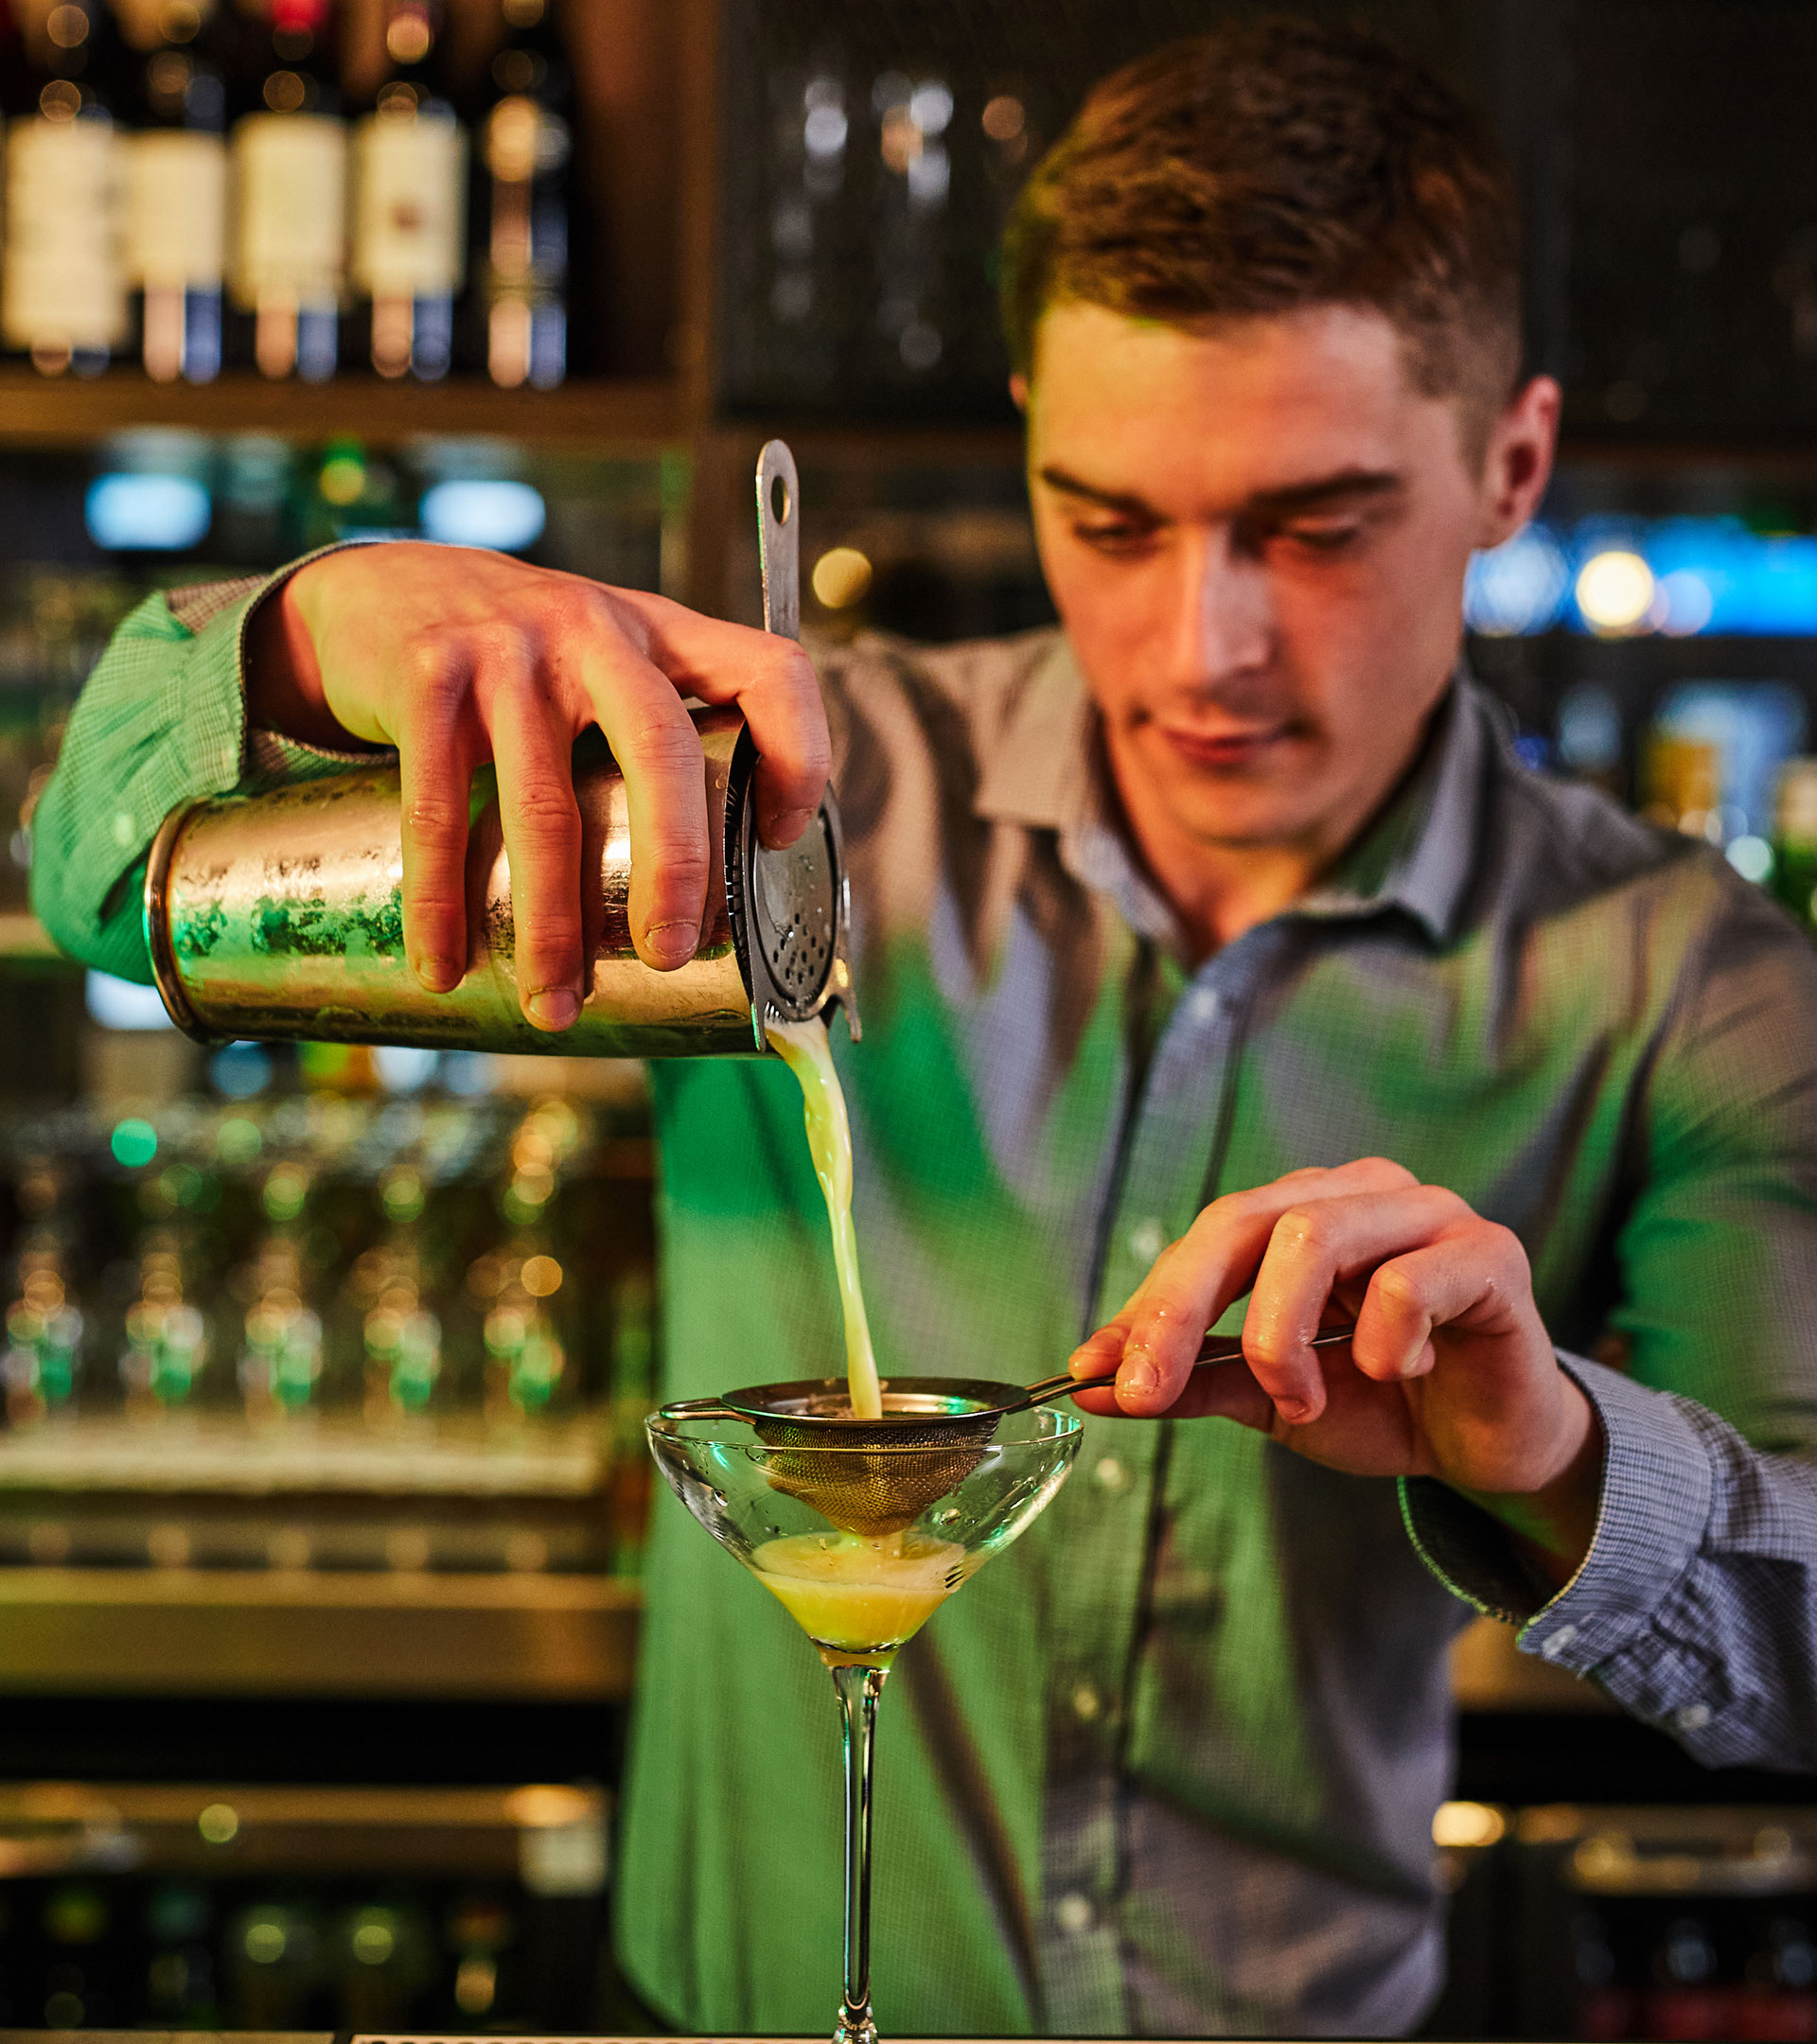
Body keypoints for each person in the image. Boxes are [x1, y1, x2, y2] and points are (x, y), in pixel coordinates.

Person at [28, 16, 1817, 2035]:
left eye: (1316, 527)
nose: (1200, 646)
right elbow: (90, 869)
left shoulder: (1686, 974)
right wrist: (305, 628)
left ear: (1511, 467)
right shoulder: (777, 795)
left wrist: (1556, 1449)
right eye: (1111, 521)